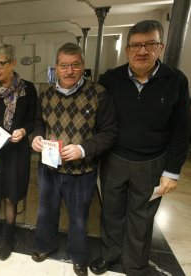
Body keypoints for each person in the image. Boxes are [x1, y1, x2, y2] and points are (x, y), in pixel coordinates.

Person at [89, 20, 190, 276]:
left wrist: (172, 172)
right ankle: (110, 255)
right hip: (114, 160)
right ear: (127, 49)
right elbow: (97, 119)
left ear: (161, 47)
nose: (142, 51)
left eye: (150, 44)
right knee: (111, 213)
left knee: (141, 217)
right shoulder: (111, 79)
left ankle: (135, 264)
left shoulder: (175, 80)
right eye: (135, 45)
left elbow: (182, 130)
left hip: (152, 162)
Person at [31, 42, 117, 276]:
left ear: (83, 66)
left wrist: (83, 149)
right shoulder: (46, 94)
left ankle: (78, 256)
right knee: (46, 211)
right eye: (64, 66)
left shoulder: (98, 94)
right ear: (56, 68)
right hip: (49, 167)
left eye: (75, 65)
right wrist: (36, 137)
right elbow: (39, 122)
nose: (69, 71)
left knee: (79, 216)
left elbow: (108, 133)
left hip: (82, 170)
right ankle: (45, 245)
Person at [0, 44, 38, 261]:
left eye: (0, 63)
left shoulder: (27, 89)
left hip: (15, 153)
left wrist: (23, 130)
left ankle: (7, 237)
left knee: (11, 197)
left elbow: (33, 120)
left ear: (12, 63)